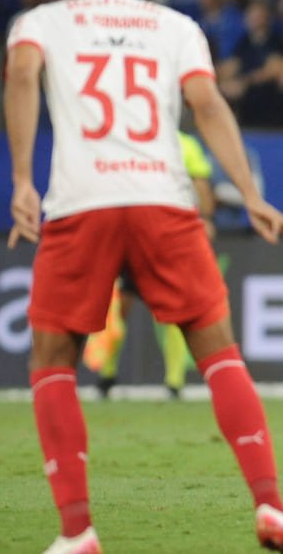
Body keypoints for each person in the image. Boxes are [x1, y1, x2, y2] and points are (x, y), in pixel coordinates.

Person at [4, 0, 283, 554]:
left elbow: (20, 76)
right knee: (220, 354)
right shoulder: (176, 27)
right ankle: (271, 506)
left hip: (82, 203)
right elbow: (208, 105)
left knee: (52, 362)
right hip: (163, 203)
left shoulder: (39, 22)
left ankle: (77, 531)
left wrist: (20, 181)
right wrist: (251, 196)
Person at [84, 132, 218, 399]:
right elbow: (201, 186)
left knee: (143, 307)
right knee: (132, 307)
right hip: (149, 236)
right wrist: (206, 218)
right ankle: (114, 375)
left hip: (148, 236)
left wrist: (206, 217)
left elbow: (200, 185)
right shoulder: (173, 142)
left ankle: (169, 381)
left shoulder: (147, 140)